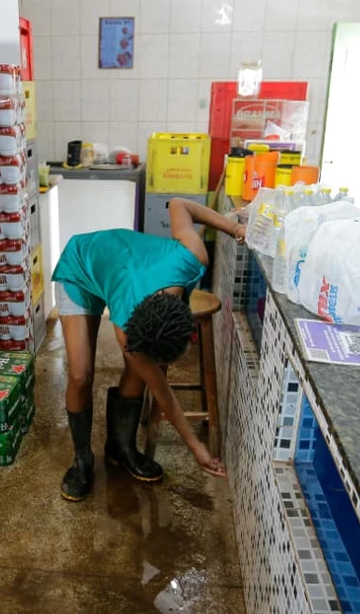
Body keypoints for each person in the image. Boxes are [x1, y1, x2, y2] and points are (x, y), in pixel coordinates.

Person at [51, 198, 247, 502]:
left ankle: (121, 447)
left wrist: (236, 228)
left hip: (122, 265)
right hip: (80, 266)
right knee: (80, 373)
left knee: (138, 371)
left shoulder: (191, 256)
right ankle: (81, 460)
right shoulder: (128, 324)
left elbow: (180, 204)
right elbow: (163, 392)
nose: (157, 366)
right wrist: (197, 447)